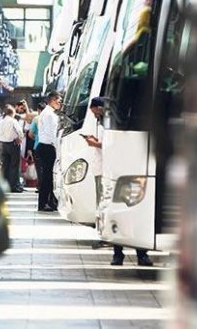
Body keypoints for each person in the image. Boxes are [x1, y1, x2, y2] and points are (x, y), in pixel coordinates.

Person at [85, 97, 153, 266]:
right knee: (114, 212)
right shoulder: (108, 124)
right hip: (113, 173)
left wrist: (97, 143)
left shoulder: (125, 125)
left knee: (135, 212)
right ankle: (119, 253)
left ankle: (140, 253)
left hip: (131, 172)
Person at [36, 91, 62, 211]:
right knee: (47, 177)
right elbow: (52, 134)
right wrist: (58, 148)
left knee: (49, 176)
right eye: (59, 101)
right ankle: (43, 203)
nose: (60, 103)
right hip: (48, 147)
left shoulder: (48, 112)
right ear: (52, 100)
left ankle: (50, 202)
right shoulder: (49, 114)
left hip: (46, 147)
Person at [0, 105, 24, 192]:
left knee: (4, 166)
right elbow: (20, 131)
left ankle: (4, 185)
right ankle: (13, 186)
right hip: (13, 144)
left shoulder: (0, 122)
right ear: (12, 113)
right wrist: (19, 138)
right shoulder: (13, 121)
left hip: (3, 145)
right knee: (14, 166)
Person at [28, 102, 46, 193]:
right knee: (47, 167)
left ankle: (40, 186)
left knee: (39, 168)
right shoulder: (51, 117)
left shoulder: (36, 119)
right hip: (49, 146)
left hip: (38, 146)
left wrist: (37, 138)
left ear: (38, 110)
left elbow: (30, 134)